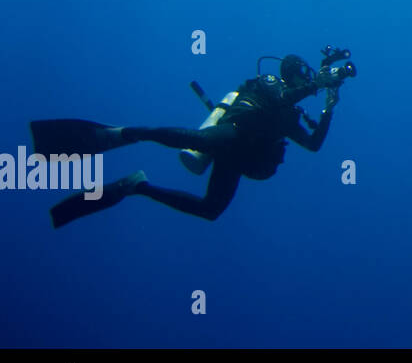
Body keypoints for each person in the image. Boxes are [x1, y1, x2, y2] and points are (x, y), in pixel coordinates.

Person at [30, 48, 355, 228]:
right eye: (307, 74)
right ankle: (123, 134)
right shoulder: (271, 81)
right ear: (293, 72)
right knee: (192, 139)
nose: (311, 79)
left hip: (240, 157)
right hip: (234, 132)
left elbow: (313, 145)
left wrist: (329, 109)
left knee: (210, 210)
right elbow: (280, 99)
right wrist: (317, 85)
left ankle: (136, 186)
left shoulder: (292, 114)